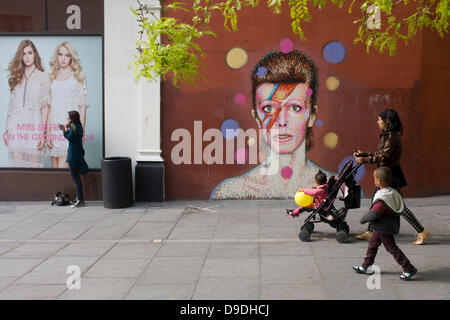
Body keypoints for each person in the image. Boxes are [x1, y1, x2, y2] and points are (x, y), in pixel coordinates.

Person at [210, 50, 335, 199]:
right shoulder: (231, 193)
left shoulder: (337, 189)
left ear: (312, 116)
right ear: (257, 117)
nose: (281, 121)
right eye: (269, 108)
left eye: (295, 108)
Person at [354, 109, 430, 245]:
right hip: (385, 173)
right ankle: (370, 231)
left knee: (400, 207)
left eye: (379, 120)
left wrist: (364, 160)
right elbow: (380, 153)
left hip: (391, 175)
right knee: (375, 202)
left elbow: (384, 156)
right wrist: (364, 154)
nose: (378, 122)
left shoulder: (392, 136)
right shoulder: (387, 135)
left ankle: (422, 231)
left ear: (387, 122)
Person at [353, 167, 417, 281]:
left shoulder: (382, 198)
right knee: (372, 245)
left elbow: (375, 212)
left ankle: (408, 268)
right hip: (381, 227)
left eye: (374, 179)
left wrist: (363, 219)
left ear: (378, 181)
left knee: (392, 248)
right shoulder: (392, 192)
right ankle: (366, 266)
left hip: (384, 228)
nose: (374, 181)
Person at [2, 39, 50, 167]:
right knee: (17, 169)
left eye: (30, 52)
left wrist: (42, 133)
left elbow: (45, 108)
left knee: (34, 169)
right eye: (23, 54)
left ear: (35, 54)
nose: (27, 56)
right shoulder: (17, 77)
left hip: (34, 125)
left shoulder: (43, 76)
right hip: (15, 126)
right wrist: (6, 130)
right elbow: (11, 107)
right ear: (20, 57)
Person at [47, 41, 89, 168]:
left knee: (63, 171)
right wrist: (47, 132)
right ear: (57, 56)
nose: (63, 58)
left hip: (70, 127)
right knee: (55, 172)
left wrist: (80, 129)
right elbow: (49, 107)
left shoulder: (78, 76)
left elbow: (82, 106)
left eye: (67, 55)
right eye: (60, 54)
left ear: (72, 57)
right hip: (54, 126)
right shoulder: (51, 76)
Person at [60, 110, 88, 208]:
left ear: (72, 119)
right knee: (77, 178)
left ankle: (80, 200)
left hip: (73, 155)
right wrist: (67, 128)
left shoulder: (73, 126)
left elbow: (70, 138)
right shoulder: (79, 126)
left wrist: (64, 130)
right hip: (78, 153)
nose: (67, 119)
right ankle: (79, 198)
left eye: (68, 118)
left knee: (76, 178)